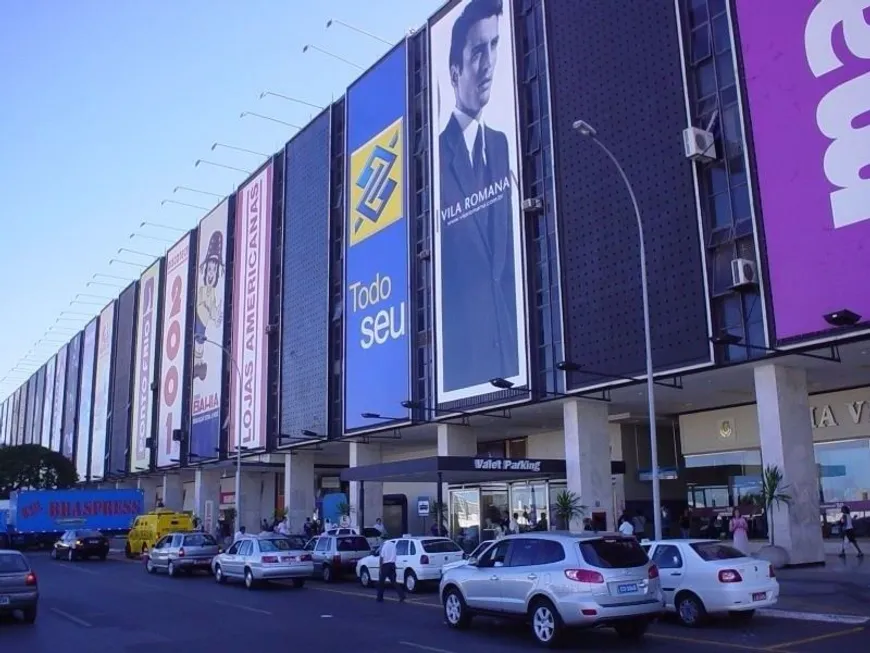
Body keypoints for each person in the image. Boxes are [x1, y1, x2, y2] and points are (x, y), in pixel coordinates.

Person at [437, 0, 519, 392]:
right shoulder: (434, 161)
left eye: (495, 46)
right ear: (455, 72)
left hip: (508, 360)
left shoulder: (503, 147)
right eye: (476, 52)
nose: (488, 64)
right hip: (461, 367)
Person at [376, 539, 406, 603]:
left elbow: (381, 557)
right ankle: (402, 595)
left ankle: (379, 597)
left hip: (385, 565)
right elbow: (395, 555)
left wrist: (380, 568)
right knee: (394, 581)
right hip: (392, 564)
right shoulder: (393, 545)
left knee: (381, 582)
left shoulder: (384, 546)